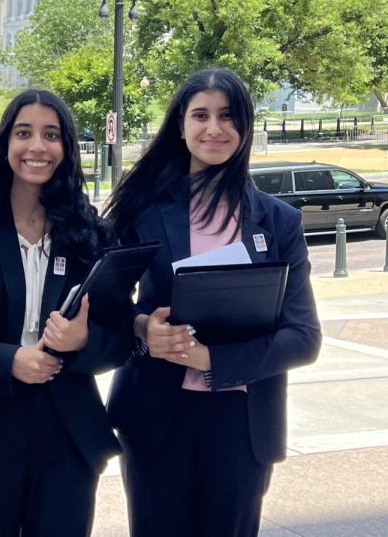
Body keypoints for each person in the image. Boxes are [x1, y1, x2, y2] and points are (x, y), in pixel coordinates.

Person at [105, 68, 322, 537]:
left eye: (227, 116)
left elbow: (303, 338)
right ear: (180, 125)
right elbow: (103, 304)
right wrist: (143, 327)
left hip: (242, 425)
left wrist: (212, 360)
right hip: (157, 417)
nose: (213, 129)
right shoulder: (142, 209)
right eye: (200, 115)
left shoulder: (279, 222)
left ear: (244, 126)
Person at [0, 89, 132, 537]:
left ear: (66, 148)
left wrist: (84, 342)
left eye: (51, 135)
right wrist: (6, 360)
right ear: (6, 143)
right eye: (24, 133)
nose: (37, 147)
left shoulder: (91, 235)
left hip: (69, 431)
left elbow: (122, 333)